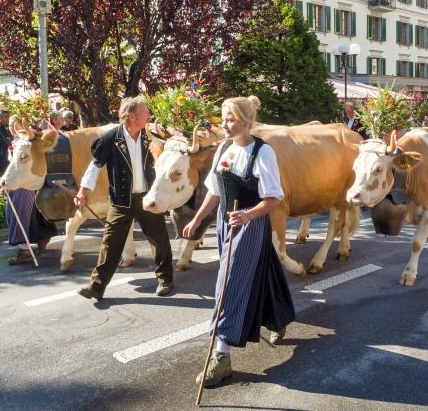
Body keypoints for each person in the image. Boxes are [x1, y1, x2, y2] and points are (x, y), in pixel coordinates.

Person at [183, 96, 295, 388]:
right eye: (223, 118)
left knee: (229, 284)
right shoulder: (223, 148)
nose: (225, 124)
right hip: (224, 224)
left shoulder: (263, 152)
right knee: (256, 272)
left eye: (231, 119)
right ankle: (278, 316)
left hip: (249, 225)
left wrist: (247, 215)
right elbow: (215, 191)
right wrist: (197, 220)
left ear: (247, 122)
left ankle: (221, 356)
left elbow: (274, 197)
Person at [75, 97, 174, 300]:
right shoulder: (111, 138)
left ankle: (165, 279)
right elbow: (95, 165)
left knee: (160, 240)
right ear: (132, 116)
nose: (149, 115)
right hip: (121, 201)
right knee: (110, 244)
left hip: (148, 199)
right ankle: (96, 287)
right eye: (145, 112)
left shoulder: (151, 136)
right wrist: (83, 191)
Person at [5, 115, 54, 264]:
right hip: (20, 182)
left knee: (20, 214)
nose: (12, 128)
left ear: (22, 125)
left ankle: (25, 250)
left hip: (25, 183)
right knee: (28, 213)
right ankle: (42, 239)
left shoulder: (29, 141)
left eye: (15, 125)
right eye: (10, 125)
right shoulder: (18, 142)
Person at [0, 110, 12, 174]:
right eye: (6, 116)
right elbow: (3, 142)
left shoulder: (5, 127)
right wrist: (13, 143)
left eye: (8, 116)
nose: (8, 118)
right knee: (3, 172)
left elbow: (10, 137)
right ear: (0, 118)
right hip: (0, 154)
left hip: (6, 153)